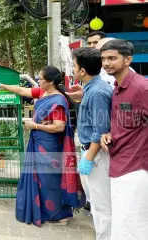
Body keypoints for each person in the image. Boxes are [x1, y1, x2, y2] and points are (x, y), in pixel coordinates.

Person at [0, 66, 84, 227]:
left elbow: (59, 127)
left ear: (51, 81)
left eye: (41, 79)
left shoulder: (58, 100)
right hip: (39, 141)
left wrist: (35, 126)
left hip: (49, 145)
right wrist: (1, 85)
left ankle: (59, 215)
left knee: (49, 179)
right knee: (40, 177)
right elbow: (21, 90)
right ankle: (46, 211)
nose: (38, 81)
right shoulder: (43, 93)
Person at [100, 40, 148, 240]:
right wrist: (110, 133)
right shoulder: (117, 87)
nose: (106, 63)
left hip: (137, 167)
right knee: (121, 219)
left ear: (128, 59)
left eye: (112, 58)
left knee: (132, 222)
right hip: (118, 163)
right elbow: (127, 121)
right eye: (103, 59)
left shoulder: (141, 88)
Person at [72, 47, 112, 240]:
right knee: (95, 202)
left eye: (74, 65)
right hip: (91, 152)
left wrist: (88, 157)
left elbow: (100, 130)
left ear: (82, 71)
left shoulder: (97, 92)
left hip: (96, 154)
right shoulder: (92, 88)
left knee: (102, 204)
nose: (72, 68)